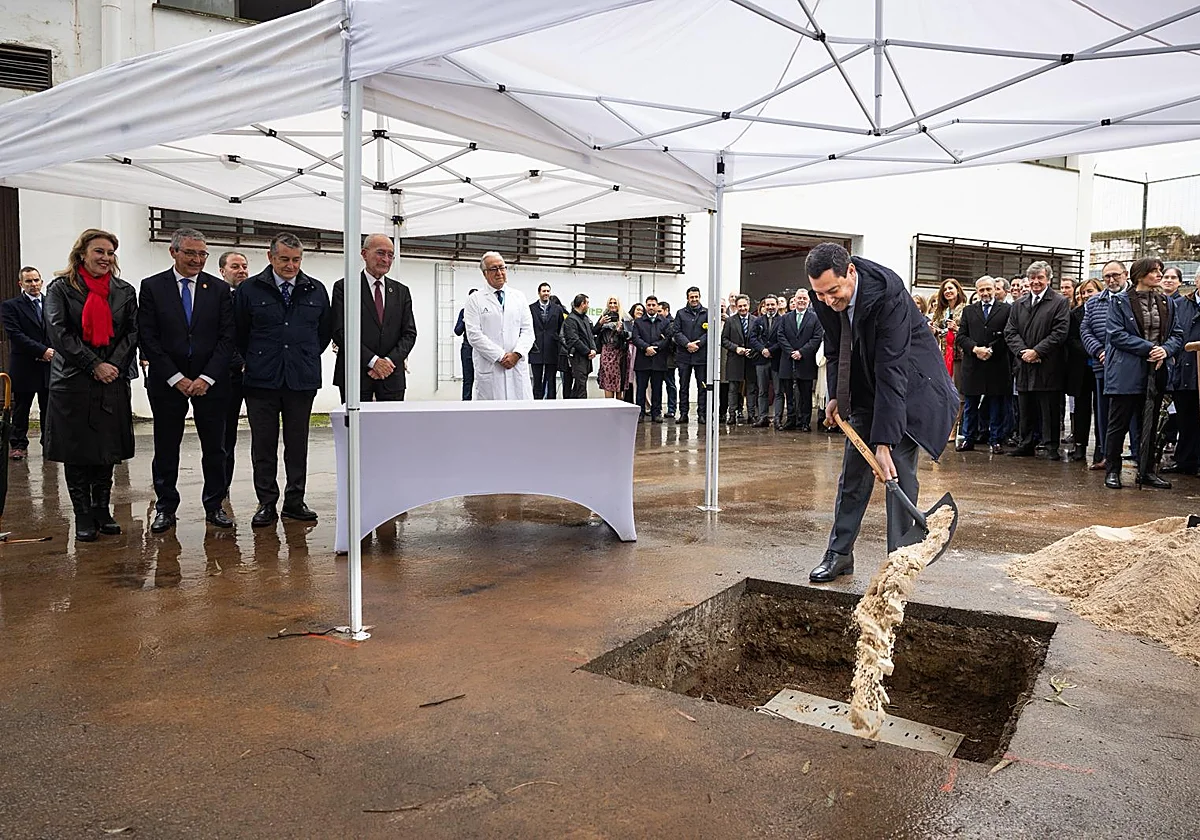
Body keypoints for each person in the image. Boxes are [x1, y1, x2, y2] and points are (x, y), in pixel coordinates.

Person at [806, 243, 958, 583]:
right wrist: (837, 397)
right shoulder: (824, 295)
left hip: (909, 384)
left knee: (897, 472)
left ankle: (899, 561)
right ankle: (839, 554)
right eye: (821, 294)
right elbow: (834, 346)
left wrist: (885, 442)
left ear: (851, 273)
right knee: (853, 476)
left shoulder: (889, 295)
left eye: (834, 291)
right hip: (863, 383)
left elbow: (892, 368)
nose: (829, 300)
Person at [138, 228, 236, 533]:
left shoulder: (219, 290)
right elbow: (148, 337)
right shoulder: (153, 287)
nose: (197, 259)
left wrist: (206, 377)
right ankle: (165, 507)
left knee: (215, 447)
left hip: (211, 381)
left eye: (202, 254)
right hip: (168, 381)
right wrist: (176, 377)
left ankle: (215, 505)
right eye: (190, 253)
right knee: (166, 445)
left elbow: (227, 337)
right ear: (173, 252)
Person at [43, 229, 138, 542]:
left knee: (107, 450)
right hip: (73, 381)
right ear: (82, 254)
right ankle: (82, 513)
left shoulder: (124, 291)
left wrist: (111, 366)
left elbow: (132, 333)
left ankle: (101, 509)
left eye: (110, 253)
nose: (106, 258)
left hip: (112, 379)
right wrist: (93, 365)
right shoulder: (60, 289)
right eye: (99, 251)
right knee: (78, 451)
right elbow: (59, 333)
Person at [234, 232, 332, 527]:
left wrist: (303, 355)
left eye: (296, 260)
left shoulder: (315, 289)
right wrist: (252, 361)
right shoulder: (250, 289)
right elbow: (238, 332)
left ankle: (294, 500)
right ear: (270, 257)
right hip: (261, 380)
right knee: (263, 445)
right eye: (284, 259)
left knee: (297, 443)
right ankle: (266, 503)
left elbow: (324, 332)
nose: (291, 266)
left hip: (300, 379)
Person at [1102, 258, 1184, 490]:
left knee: (1149, 422)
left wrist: (1165, 350)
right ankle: (1113, 470)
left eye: (1160, 271)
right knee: (1118, 422)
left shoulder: (1167, 302)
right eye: (1154, 271)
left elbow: (1177, 334)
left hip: (1156, 371)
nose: (1159, 275)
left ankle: (1146, 470)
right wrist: (1150, 349)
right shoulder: (1120, 302)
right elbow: (1115, 334)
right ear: (1140, 275)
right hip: (1126, 371)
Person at [331, 234, 417, 404]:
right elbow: (340, 332)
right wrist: (373, 362)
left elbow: (409, 334)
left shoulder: (401, 292)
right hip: (356, 376)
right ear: (364, 254)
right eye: (380, 253)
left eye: (390, 255)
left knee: (391, 429)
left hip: (392, 376)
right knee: (356, 430)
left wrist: (388, 362)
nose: (386, 259)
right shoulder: (345, 287)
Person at [1004, 260, 1070, 460]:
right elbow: (1010, 332)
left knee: (1049, 408)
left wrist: (1038, 352)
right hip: (1023, 364)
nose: (1036, 282)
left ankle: (1051, 447)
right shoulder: (1018, 304)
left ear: (1048, 279)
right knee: (1025, 408)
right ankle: (1026, 443)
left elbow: (1060, 332)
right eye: (1032, 278)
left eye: (1040, 277)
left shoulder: (1059, 302)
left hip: (1048, 364)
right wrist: (1023, 352)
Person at [1081, 260, 1131, 470]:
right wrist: (1100, 351)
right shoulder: (1093, 303)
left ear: (1125, 274)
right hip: (1103, 366)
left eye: (1115, 275)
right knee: (1103, 414)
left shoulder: (1133, 300)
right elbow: (1086, 330)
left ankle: (1137, 455)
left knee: (1132, 415)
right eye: (1107, 276)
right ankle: (1105, 456)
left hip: (1130, 367)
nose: (1111, 280)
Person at [463, 252, 534, 401]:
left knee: (521, 417)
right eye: (494, 269)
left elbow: (528, 331)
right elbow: (474, 335)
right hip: (491, 367)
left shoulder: (519, 297)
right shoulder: (474, 300)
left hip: (517, 367)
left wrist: (517, 354)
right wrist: (500, 356)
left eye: (502, 267)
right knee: (490, 419)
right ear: (485, 273)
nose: (499, 272)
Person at [954, 276, 1012, 454]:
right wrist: (975, 349)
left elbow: (1008, 335)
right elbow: (961, 336)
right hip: (973, 364)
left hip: (996, 363)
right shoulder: (969, 311)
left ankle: (995, 440)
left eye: (988, 289)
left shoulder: (1006, 309)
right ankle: (968, 438)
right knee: (971, 404)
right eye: (981, 290)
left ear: (995, 289)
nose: (985, 293)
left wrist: (990, 350)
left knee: (995, 403)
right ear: (976, 291)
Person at [1, 266, 52, 460]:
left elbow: (57, 329)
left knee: (49, 407)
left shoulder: (51, 303)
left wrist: (51, 352)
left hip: (49, 365)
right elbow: (15, 334)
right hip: (25, 365)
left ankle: (49, 444)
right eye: (29, 281)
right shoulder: (11, 306)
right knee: (22, 407)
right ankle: (18, 445)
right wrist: (42, 350)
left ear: (41, 281)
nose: (34, 285)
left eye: (37, 280)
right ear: (20, 284)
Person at [218, 250, 249, 497]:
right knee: (224, 434)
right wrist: (239, 361)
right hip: (228, 374)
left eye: (244, 266)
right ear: (223, 271)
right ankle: (221, 488)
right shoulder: (217, 297)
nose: (241, 271)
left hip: (255, 373)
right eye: (235, 266)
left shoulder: (251, 295)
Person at [1165, 267, 1200, 476]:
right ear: (1196, 280)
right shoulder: (1179, 305)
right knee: (1185, 418)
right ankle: (1185, 460)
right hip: (1184, 370)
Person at [777, 289, 823, 431]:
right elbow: (780, 335)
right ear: (794, 300)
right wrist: (791, 352)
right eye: (799, 298)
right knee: (789, 395)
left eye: (804, 298)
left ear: (808, 301)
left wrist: (801, 352)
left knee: (806, 394)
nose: (801, 301)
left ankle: (805, 422)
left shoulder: (815, 318)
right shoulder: (785, 318)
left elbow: (816, 337)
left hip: (805, 361)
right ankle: (791, 419)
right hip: (788, 360)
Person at [630, 295, 669, 422]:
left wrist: (655, 348)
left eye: (653, 305)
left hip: (658, 361)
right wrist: (646, 348)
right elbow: (636, 338)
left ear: (657, 306)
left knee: (657, 389)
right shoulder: (639, 322)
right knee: (640, 389)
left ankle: (656, 413)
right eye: (649, 305)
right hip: (643, 360)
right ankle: (640, 413)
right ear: (646, 306)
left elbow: (667, 339)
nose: (651, 307)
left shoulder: (664, 322)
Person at [673, 287, 709, 424]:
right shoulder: (680, 313)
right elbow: (676, 332)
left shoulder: (707, 313)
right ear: (687, 298)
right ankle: (683, 414)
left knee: (702, 387)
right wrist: (687, 344)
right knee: (683, 386)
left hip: (701, 356)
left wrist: (698, 344)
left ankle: (702, 414)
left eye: (696, 297)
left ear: (700, 297)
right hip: (684, 356)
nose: (694, 299)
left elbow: (709, 332)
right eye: (691, 297)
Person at [526, 282, 566, 400]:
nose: (546, 293)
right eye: (544, 291)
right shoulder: (531, 308)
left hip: (552, 349)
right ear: (539, 293)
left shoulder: (557, 309)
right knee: (536, 380)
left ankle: (551, 406)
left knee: (551, 380)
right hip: (536, 349)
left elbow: (560, 328)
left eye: (548, 291)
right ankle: (536, 405)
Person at [720, 294, 754, 424]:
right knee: (733, 389)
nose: (743, 308)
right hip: (735, 359)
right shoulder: (730, 321)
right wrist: (735, 348)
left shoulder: (755, 320)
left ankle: (751, 414)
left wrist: (753, 350)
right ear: (736, 306)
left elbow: (759, 339)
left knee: (751, 389)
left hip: (750, 360)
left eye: (745, 305)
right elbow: (723, 340)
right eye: (740, 306)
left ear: (749, 305)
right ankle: (732, 415)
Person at [748, 294, 780, 428]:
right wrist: (762, 350)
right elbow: (752, 338)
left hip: (776, 359)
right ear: (764, 306)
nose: (770, 307)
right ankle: (763, 417)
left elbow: (783, 338)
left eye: (773, 305)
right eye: (768, 305)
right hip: (761, 360)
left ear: (777, 305)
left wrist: (771, 350)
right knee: (762, 390)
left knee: (778, 391)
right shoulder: (758, 321)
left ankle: (778, 418)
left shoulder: (783, 320)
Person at [561, 294, 597, 399]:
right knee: (581, 387)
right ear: (582, 304)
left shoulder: (585, 318)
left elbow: (590, 336)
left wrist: (593, 349)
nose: (588, 306)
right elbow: (574, 340)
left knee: (579, 386)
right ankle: (583, 411)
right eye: (587, 303)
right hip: (578, 358)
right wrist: (587, 352)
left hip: (586, 359)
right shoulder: (571, 319)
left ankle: (572, 407)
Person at [594, 296, 628, 399]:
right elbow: (593, 331)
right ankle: (608, 406)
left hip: (619, 352)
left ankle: (618, 408)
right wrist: (600, 323)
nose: (612, 305)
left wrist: (620, 330)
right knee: (607, 379)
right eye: (610, 303)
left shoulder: (624, 317)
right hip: (606, 352)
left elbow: (629, 336)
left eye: (615, 303)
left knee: (619, 380)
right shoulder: (603, 316)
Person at [453, 288, 477, 400]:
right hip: (467, 347)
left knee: (485, 378)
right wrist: (464, 320)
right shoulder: (464, 312)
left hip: (481, 349)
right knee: (468, 378)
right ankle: (466, 403)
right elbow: (457, 331)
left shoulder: (485, 311)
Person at [659, 300, 678, 420]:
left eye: (660, 311)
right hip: (658, 359)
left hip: (669, 359)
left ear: (666, 310)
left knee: (670, 384)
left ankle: (671, 409)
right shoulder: (657, 322)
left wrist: (666, 339)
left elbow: (674, 341)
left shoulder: (673, 323)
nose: (658, 313)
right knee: (657, 385)